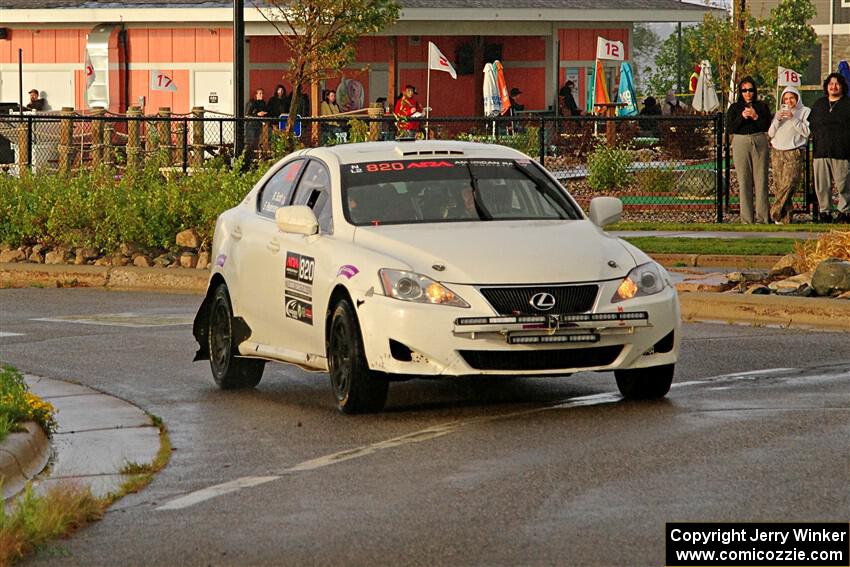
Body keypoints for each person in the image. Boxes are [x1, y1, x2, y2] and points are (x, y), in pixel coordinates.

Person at [727, 76, 772, 224]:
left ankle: (762, 218)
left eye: (750, 90)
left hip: (759, 139)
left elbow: (766, 126)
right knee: (744, 181)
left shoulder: (762, 106)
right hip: (740, 141)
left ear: (755, 91)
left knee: (761, 180)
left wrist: (755, 116)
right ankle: (746, 219)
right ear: (740, 91)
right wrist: (741, 117)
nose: (748, 93)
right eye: (744, 90)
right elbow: (730, 128)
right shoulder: (734, 107)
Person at [808, 72, 850, 223]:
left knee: (843, 184)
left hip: (842, 151)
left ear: (842, 87)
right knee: (822, 185)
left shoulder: (847, 104)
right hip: (821, 151)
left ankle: (844, 212)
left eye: (837, 84)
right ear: (826, 86)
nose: (834, 86)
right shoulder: (819, 104)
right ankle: (824, 211)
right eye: (831, 84)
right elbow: (811, 124)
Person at [767, 86, 810, 224]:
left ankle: (774, 211)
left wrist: (793, 118)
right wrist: (777, 119)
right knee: (779, 185)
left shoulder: (804, 111)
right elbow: (770, 133)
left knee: (790, 183)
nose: (789, 101)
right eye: (786, 98)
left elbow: (806, 132)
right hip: (777, 151)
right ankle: (784, 218)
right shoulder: (779, 113)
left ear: (797, 98)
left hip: (793, 151)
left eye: (791, 98)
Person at [245, 88, 268, 154]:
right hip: (252, 126)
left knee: (259, 142)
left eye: (262, 93)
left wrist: (265, 113)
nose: (262, 95)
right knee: (251, 143)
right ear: (256, 95)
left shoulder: (264, 104)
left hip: (261, 126)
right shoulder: (252, 103)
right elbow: (247, 115)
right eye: (260, 93)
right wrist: (257, 114)